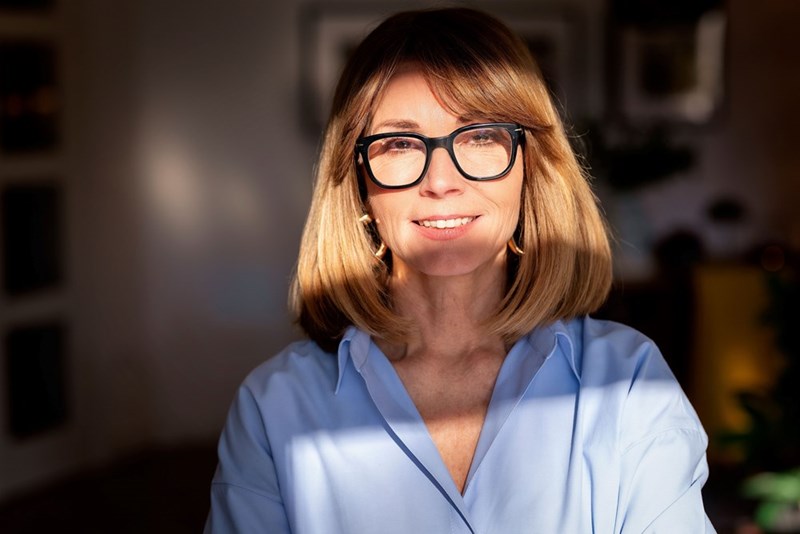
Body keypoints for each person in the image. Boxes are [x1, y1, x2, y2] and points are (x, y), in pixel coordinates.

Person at [204, 7, 715, 533]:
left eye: (480, 135)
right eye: (400, 143)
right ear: (357, 180)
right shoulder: (274, 407)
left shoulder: (628, 382)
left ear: (529, 167)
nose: (442, 181)